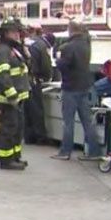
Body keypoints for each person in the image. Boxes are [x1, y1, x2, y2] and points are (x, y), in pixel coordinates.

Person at [51, 21, 103, 160]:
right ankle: (94, 152)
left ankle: (65, 152)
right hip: (84, 87)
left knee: (68, 122)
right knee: (87, 121)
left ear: (70, 30)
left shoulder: (69, 47)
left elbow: (63, 65)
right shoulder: (86, 44)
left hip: (70, 87)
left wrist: (57, 58)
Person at [0, 18, 30, 170]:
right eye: (15, 32)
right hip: (8, 100)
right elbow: (3, 75)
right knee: (9, 129)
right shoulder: (2, 51)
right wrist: (12, 95)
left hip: (17, 99)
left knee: (17, 128)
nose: (18, 35)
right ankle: (6, 160)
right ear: (6, 33)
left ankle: (15, 156)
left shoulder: (14, 49)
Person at [25, 31, 54, 145]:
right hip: (34, 79)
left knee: (27, 110)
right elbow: (46, 66)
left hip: (24, 79)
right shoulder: (43, 47)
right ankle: (40, 136)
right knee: (37, 109)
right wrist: (47, 77)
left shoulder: (32, 42)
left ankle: (28, 136)